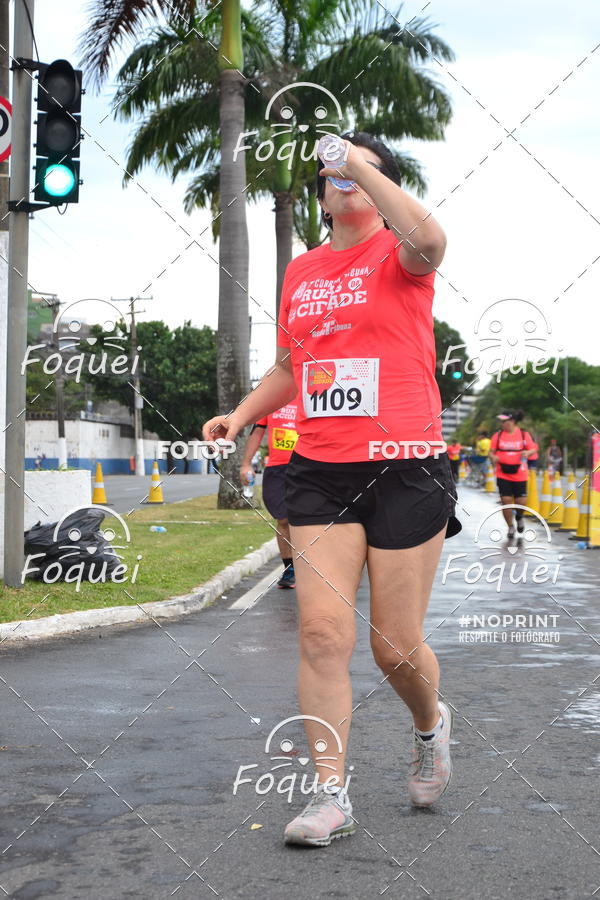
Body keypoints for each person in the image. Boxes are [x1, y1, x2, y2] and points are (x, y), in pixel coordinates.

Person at [204, 131, 462, 847]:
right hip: (321, 467)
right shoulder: (303, 271)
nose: (343, 180)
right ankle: (329, 794)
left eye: (362, 173)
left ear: (381, 187)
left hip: (405, 465)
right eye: (334, 174)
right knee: (321, 633)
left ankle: (429, 728)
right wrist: (242, 415)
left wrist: (357, 162)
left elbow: (431, 237)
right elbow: (293, 364)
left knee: (396, 648)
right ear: (319, 193)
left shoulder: (401, 254)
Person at [239, 399, 300, 589]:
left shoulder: (309, 394)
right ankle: (289, 569)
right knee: (282, 519)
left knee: (307, 519)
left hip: (305, 466)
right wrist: (246, 464)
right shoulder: (273, 398)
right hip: (276, 468)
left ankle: (310, 566)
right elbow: (257, 432)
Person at [489, 411, 537, 537]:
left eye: (504, 421)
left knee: (521, 501)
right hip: (502, 473)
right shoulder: (498, 435)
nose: (502, 423)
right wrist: (493, 457)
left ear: (512, 421)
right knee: (506, 501)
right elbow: (491, 452)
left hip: (520, 473)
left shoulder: (523, 434)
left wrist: (528, 453)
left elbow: (534, 448)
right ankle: (510, 527)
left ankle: (519, 516)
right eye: (502, 421)